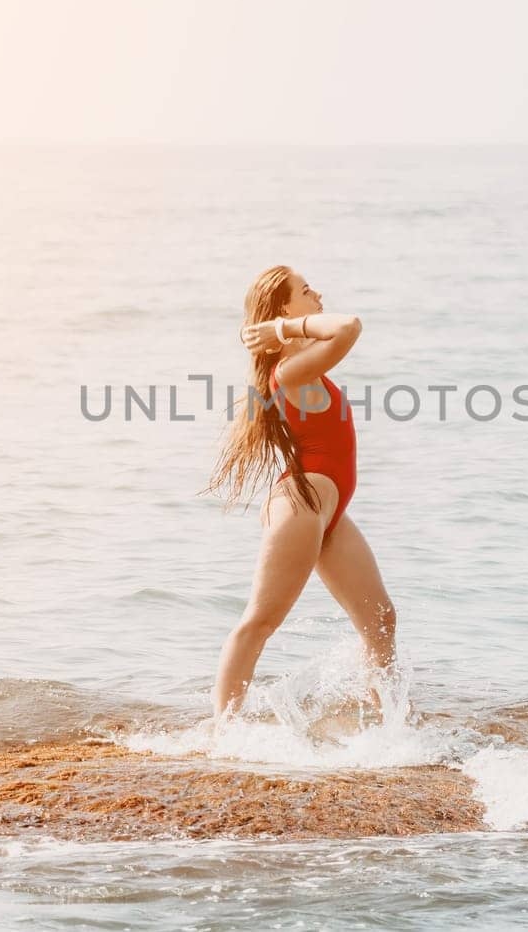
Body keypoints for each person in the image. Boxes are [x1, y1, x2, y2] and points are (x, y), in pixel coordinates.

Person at [205, 265, 398, 723]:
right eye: (306, 291)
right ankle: (221, 731)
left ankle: (388, 725)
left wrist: (284, 329)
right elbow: (349, 327)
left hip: (328, 512)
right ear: (284, 309)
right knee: (260, 622)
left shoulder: (300, 361)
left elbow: (338, 330)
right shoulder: (289, 370)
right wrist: (283, 329)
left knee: (380, 620)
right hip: (302, 505)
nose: (319, 294)